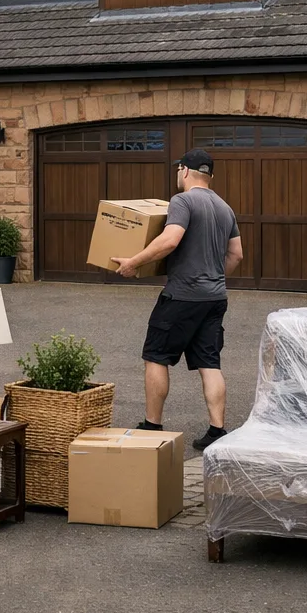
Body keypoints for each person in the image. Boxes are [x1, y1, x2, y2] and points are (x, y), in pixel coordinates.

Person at [111, 148, 243, 450]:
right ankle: (217, 430)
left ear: (184, 170)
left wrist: (133, 262)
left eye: (177, 170)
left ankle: (152, 425)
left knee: (156, 356)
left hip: (182, 295)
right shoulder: (225, 208)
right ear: (210, 175)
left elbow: (170, 240)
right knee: (209, 362)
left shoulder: (182, 201)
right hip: (214, 298)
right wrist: (213, 278)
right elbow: (236, 254)